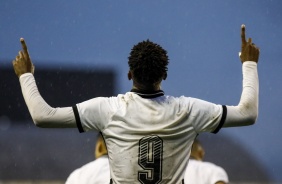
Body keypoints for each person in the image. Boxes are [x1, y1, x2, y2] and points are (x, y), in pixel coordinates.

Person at [12, 24, 259, 184]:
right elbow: (248, 114)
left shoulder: (107, 109)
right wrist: (249, 64)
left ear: (130, 74)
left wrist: (26, 75)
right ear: (165, 75)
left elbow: (42, 116)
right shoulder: (188, 110)